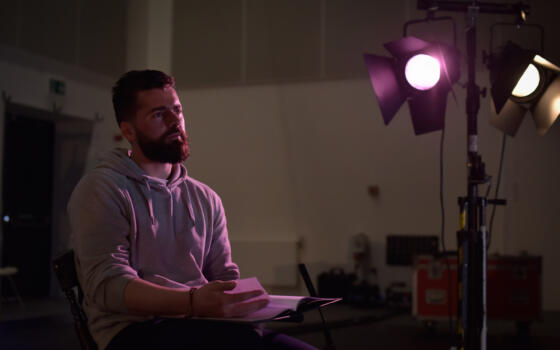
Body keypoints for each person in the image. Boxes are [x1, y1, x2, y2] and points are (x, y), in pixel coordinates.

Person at [68, 70, 317, 350]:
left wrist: (241, 302)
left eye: (177, 110)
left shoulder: (205, 197)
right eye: (159, 114)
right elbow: (109, 287)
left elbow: (222, 276)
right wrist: (191, 301)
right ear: (128, 131)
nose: (176, 122)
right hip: (135, 331)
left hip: (205, 324)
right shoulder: (102, 189)